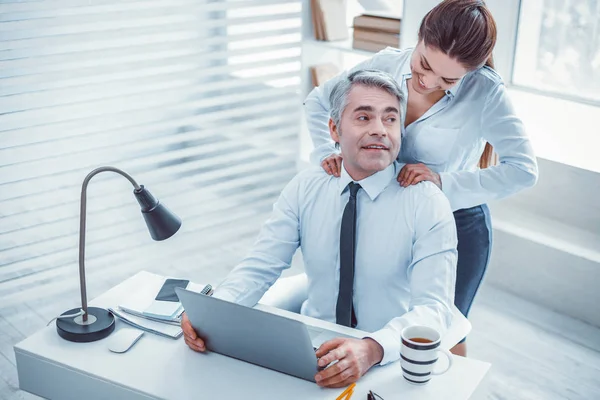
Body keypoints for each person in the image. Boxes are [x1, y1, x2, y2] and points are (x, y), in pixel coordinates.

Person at [182, 69, 458, 388]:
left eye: (390, 119)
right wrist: (214, 310)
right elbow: (260, 266)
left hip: (386, 359)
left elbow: (434, 309)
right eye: (364, 118)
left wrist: (373, 348)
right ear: (334, 129)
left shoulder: (426, 202)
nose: (380, 130)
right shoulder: (306, 187)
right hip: (309, 352)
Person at [303, 0, 539, 356]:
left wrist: (443, 182)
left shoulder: (485, 92)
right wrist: (328, 152)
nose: (428, 82)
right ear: (420, 36)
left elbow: (524, 169)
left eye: (448, 80)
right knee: (383, 328)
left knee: (441, 334)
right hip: (388, 219)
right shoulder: (386, 62)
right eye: (424, 64)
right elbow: (320, 101)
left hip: (456, 225)